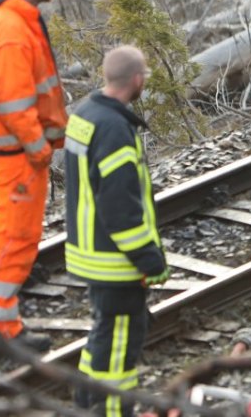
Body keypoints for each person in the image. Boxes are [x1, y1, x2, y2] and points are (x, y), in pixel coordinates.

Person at [0, 0, 70, 353]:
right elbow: (13, 102)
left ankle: (0, 321)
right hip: (20, 156)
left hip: (19, 153)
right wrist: (37, 146)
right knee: (16, 236)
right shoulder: (10, 28)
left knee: (13, 235)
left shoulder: (16, 19)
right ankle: (0, 329)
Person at [64, 45, 167, 416]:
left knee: (102, 336)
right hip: (114, 261)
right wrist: (150, 260)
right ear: (137, 80)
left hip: (89, 252)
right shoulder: (114, 131)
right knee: (120, 350)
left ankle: (84, 402)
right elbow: (121, 211)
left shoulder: (84, 114)